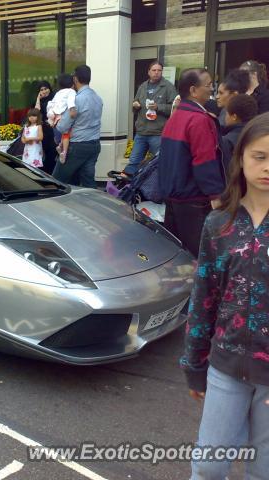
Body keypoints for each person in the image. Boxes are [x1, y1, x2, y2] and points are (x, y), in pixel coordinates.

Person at [180, 112, 269, 480]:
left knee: (263, 469)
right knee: (209, 465)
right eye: (260, 156)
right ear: (242, 159)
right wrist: (194, 366)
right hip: (226, 366)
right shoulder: (220, 224)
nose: (267, 167)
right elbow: (204, 299)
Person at [157, 68, 225, 257]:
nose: (212, 89)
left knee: (175, 253)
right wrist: (216, 195)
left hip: (172, 197)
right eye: (209, 85)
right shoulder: (199, 120)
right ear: (194, 90)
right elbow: (205, 161)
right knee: (200, 255)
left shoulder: (176, 117)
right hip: (192, 199)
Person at [124, 61, 177, 176]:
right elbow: (135, 104)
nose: (157, 73)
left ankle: (157, 190)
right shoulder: (142, 86)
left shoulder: (168, 87)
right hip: (141, 132)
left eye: (159, 70)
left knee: (160, 164)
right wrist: (135, 105)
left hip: (158, 133)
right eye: (154, 70)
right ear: (149, 72)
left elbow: (175, 109)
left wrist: (158, 107)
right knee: (133, 162)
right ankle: (128, 189)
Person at [55, 65, 103, 187]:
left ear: (75, 79)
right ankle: (93, 205)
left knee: (57, 181)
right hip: (94, 144)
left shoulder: (77, 100)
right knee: (88, 182)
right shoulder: (98, 98)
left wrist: (55, 121)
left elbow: (62, 127)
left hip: (77, 146)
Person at [220, 93, 258, 171]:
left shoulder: (227, 141)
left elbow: (227, 170)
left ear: (234, 117)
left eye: (226, 113)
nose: (225, 117)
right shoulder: (260, 135)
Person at [46, 74, 77, 164]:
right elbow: (71, 102)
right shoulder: (71, 91)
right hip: (61, 117)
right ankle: (64, 152)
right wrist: (72, 112)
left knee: (62, 136)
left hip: (54, 119)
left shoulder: (58, 93)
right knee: (66, 134)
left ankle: (60, 146)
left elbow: (53, 103)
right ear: (72, 84)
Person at [32, 81, 57, 173]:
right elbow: (36, 113)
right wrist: (38, 98)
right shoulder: (39, 102)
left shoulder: (54, 99)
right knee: (43, 155)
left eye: (46, 88)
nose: (44, 91)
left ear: (49, 88)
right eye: (41, 90)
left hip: (53, 131)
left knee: (52, 154)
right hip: (43, 132)